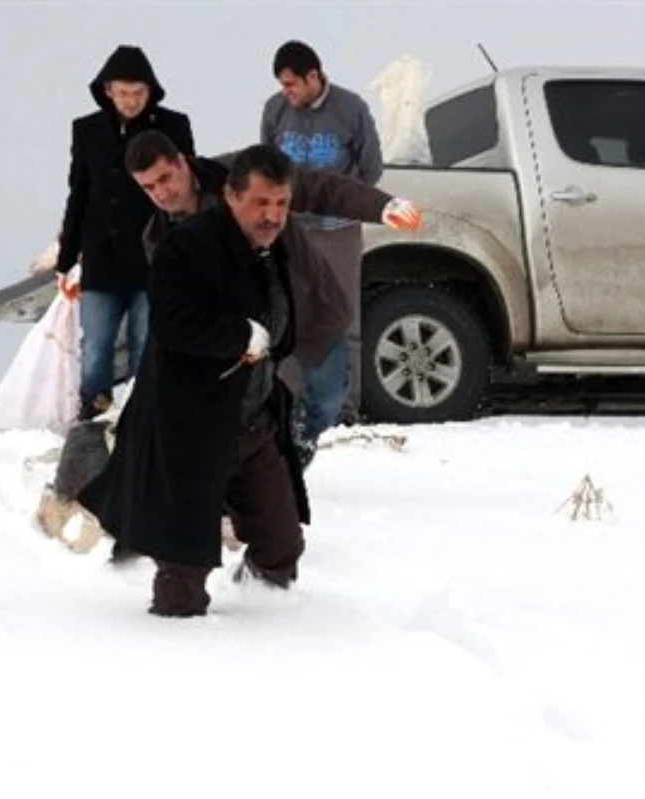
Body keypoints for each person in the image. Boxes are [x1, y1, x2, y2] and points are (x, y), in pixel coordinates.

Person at [77, 145, 312, 618]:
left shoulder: (277, 245)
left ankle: (273, 631)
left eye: (281, 203)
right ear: (230, 195)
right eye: (261, 203)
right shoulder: (187, 247)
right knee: (181, 580)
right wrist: (238, 334)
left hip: (255, 424)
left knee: (280, 546)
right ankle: (181, 664)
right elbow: (173, 324)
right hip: (194, 431)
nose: (272, 215)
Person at [124, 130, 420, 465]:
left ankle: (301, 439)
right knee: (255, 415)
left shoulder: (239, 173)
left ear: (182, 162)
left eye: (165, 178)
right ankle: (276, 468)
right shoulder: (158, 239)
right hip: (245, 336)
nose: (162, 193)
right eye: (149, 187)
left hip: (307, 308)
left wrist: (382, 205)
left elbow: (317, 187)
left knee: (328, 398)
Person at [52, 45, 195, 420]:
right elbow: (78, 195)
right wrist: (66, 258)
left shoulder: (173, 126)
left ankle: (142, 415)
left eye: (138, 93)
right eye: (123, 93)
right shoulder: (86, 131)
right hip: (102, 254)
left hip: (156, 257)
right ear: (108, 91)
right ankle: (93, 415)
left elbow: (189, 190)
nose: (130, 101)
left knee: (146, 342)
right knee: (96, 345)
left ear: (150, 91)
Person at [261, 40, 384, 430]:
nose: (288, 93)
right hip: (291, 231)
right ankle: (291, 404)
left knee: (342, 317)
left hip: (338, 233)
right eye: (283, 86)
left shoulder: (351, 109)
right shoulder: (275, 110)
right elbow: (266, 167)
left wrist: (342, 205)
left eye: (292, 85)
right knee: (290, 316)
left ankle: (346, 410)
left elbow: (370, 168)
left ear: (313, 76)